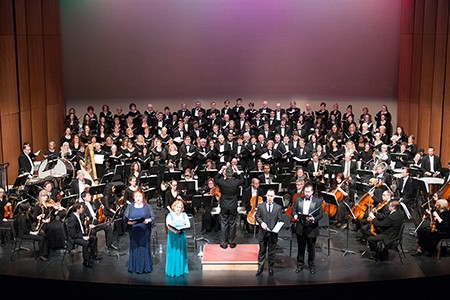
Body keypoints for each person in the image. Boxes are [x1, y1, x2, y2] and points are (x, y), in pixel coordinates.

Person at [291, 183, 323, 274]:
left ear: (312, 192)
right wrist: (295, 215)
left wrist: (314, 219)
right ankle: (300, 264)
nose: (307, 193)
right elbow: (293, 210)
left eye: (309, 192)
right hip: (300, 227)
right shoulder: (298, 199)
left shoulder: (318, 201)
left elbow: (320, 214)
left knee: (311, 248)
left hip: (312, 228)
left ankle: (311, 265)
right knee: (301, 247)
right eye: (305, 192)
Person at [124, 189, 156, 274]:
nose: (138, 198)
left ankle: (145, 267)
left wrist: (148, 220)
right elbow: (125, 218)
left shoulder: (147, 206)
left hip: (144, 231)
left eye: (139, 196)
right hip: (134, 231)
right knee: (135, 248)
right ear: (133, 198)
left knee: (144, 248)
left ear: (142, 197)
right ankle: (134, 267)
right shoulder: (130, 207)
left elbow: (153, 217)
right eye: (136, 196)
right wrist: (128, 222)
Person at [215, 163, 245, 249]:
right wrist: (237, 169)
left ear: (226, 173)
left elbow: (215, 179)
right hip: (233, 205)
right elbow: (242, 179)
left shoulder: (222, 182)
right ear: (232, 173)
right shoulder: (235, 182)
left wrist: (221, 170)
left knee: (224, 224)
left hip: (224, 205)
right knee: (232, 224)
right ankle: (232, 243)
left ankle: (224, 243)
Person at [255, 189, 283, 277]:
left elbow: (280, 220)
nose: (270, 198)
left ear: (274, 197)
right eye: (268, 196)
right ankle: (260, 268)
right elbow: (257, 216)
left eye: (271, 196)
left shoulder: (278, 207)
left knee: (271, 252)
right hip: (263, 233)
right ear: (266, 196)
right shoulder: (261, 206)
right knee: (262, 251)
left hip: (273, 234)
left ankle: (271, 268)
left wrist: (276, 227)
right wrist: (261, 223)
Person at [66, 202, 100, 268]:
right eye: (82, 208)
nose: (83, 209)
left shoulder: (80, 216)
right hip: (74, 238)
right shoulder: (72, 219)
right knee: (85, 243)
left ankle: (93, 255)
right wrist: (83, 237)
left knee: (94, 238)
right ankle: (86, 261)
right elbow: (72, 234)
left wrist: (88, 224)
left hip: (80, 234)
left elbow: (82, 226)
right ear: (78, 209)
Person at [165, 199, 190, 277]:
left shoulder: (184, 215)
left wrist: (182, 228)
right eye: (177, 207)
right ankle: (173, 270)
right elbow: (168, 225)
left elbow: (188, 224)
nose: (178, 208)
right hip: (173, 235)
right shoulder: (170, 215)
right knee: (173, 251)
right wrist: (175, 231)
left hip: (182, 235)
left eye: (180, 207)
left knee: (181, 251)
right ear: (174, 207)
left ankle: (181, 269)